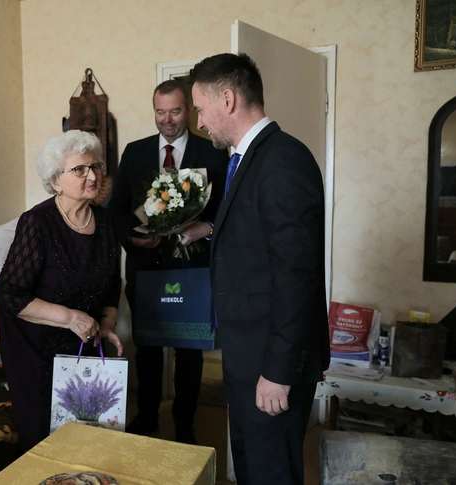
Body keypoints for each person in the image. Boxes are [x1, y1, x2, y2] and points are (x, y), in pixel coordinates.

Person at [189, 53, 329, 484]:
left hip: (272, 362)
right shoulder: (247, 159)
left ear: (227, 99)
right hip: (248, 354)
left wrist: (278, 372)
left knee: (271, 474)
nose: (200, 122)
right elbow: (258, 240)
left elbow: (295, 274)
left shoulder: (283, 160)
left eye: (200, 109)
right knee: (251, 469)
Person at [107, 79, 226, 444]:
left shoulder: (213, 152)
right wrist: (133, 237)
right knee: (148, 348)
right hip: (145, 267)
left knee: (189, 351)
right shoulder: (135, 152)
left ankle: (184, 423)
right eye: (160, 112)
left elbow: (227, 209)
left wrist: (204, 228)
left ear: (188, 110)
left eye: (175, 111)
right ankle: (146, 416)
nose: (167, 119)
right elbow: (116, 209)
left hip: (192, 268)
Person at [0, 130, 124, 452]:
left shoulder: (106, 222)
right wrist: (69, 318)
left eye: (94, 167)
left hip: (84, 339)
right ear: (55, 181)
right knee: (44, 436)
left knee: (88, 432)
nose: (92, 176)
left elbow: (112, 283)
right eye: (79, 169)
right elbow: (9, 293)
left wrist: (107, 323)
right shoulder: (37, 223)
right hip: (35, 346)